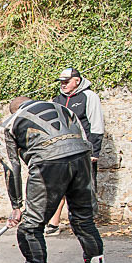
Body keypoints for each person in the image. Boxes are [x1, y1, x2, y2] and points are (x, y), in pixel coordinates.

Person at [0, 96, 109, 263]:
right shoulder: (64, 109)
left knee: (30, 227)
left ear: (14, 110)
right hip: (81, 158)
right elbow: (86, 142)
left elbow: (11, 167)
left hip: (48, 162)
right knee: (84, 221)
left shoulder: (10, 123)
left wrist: (17, 206)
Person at [45, 67, 105, 236]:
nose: (63, 85)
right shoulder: (56, 100)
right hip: (62, 151)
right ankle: (54, 223)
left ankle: (85, 223)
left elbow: (96, 124)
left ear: (76, 81)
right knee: (58, 186)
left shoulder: (89, 97)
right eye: (61, 82)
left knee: (84, 187)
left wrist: (94, 151)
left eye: (67, 81)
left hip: (83, 149)